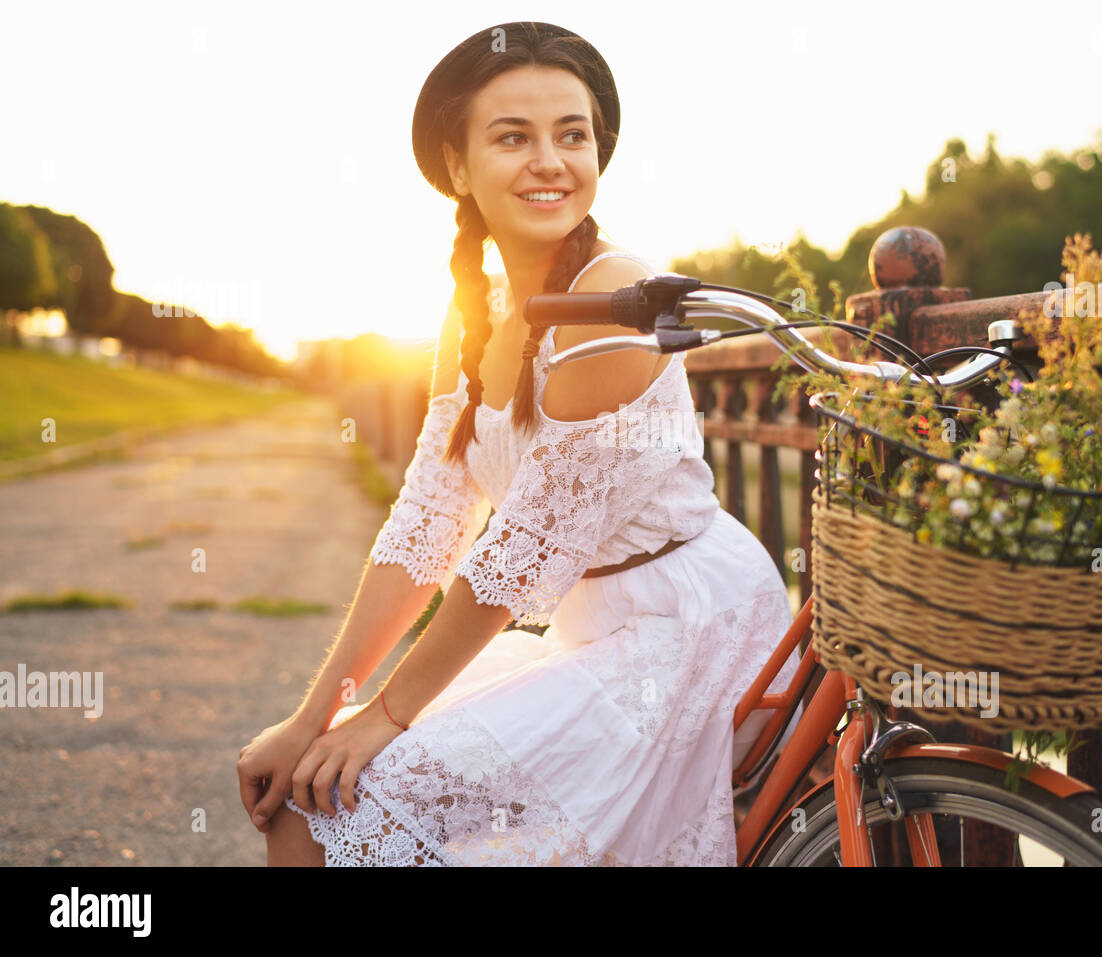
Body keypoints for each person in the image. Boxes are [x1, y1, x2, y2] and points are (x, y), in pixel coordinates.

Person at [237, 20, 799, 866]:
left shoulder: (612, 298)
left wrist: (384, 718)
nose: (549, 161)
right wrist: (315, 714)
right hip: (592, 631)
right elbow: (430, 520)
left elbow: (522, 552)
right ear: (458, 167)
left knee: (338, 801)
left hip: (682, 636)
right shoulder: (472, 310)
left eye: (572, 135)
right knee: (313, 789)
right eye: (513, 137)